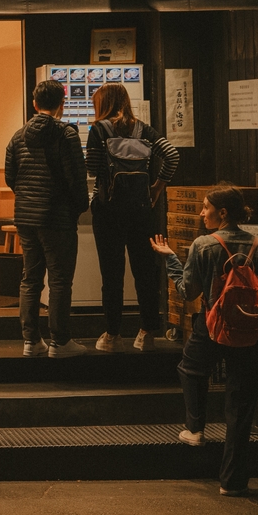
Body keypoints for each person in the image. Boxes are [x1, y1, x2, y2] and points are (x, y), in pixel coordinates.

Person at [150, 185, 258, 495]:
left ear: (223, 213)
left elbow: (188, 292)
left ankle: (195, 428)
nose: (201, 212)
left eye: (206, 207)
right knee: (241, 406)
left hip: (212, 328)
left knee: (191, 368)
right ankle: (233, 482)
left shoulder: (203, 244)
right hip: (251, 333)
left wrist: (170, 259)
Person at [86, 83, 181, 353]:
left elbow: (92, 169)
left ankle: (112, 334)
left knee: (112, 273)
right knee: (145, 271)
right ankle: (146, 332)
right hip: (142, 211)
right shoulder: (144, 130)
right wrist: (157, 188)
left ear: (102, 103)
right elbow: (172, 155)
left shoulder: (99, 130)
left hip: (108, 211)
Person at [3, 80, 90, 359]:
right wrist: (78, 207)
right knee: (60, 280)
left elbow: (10, 177)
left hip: (26, 217)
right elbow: (76, 177)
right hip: (57, 216)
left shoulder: (17, 136)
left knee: (30, 279)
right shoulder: (66, 134)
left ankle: (31, 341)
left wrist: (27, 199)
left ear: (34, 103)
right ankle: (60, 341)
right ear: (62, 103)